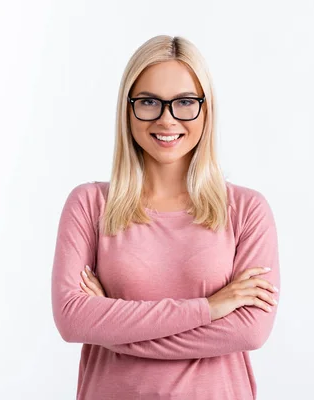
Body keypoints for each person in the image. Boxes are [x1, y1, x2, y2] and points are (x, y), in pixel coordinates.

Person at [51, 34, 281, 400]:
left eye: (185, 102)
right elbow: (73, 319)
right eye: (148, 102)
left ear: (206, 109)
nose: (166, 118)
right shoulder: (90, 205)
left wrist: (116, 330)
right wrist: (211, 308)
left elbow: (249, 332)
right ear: (128, 109)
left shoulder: (246, 210)